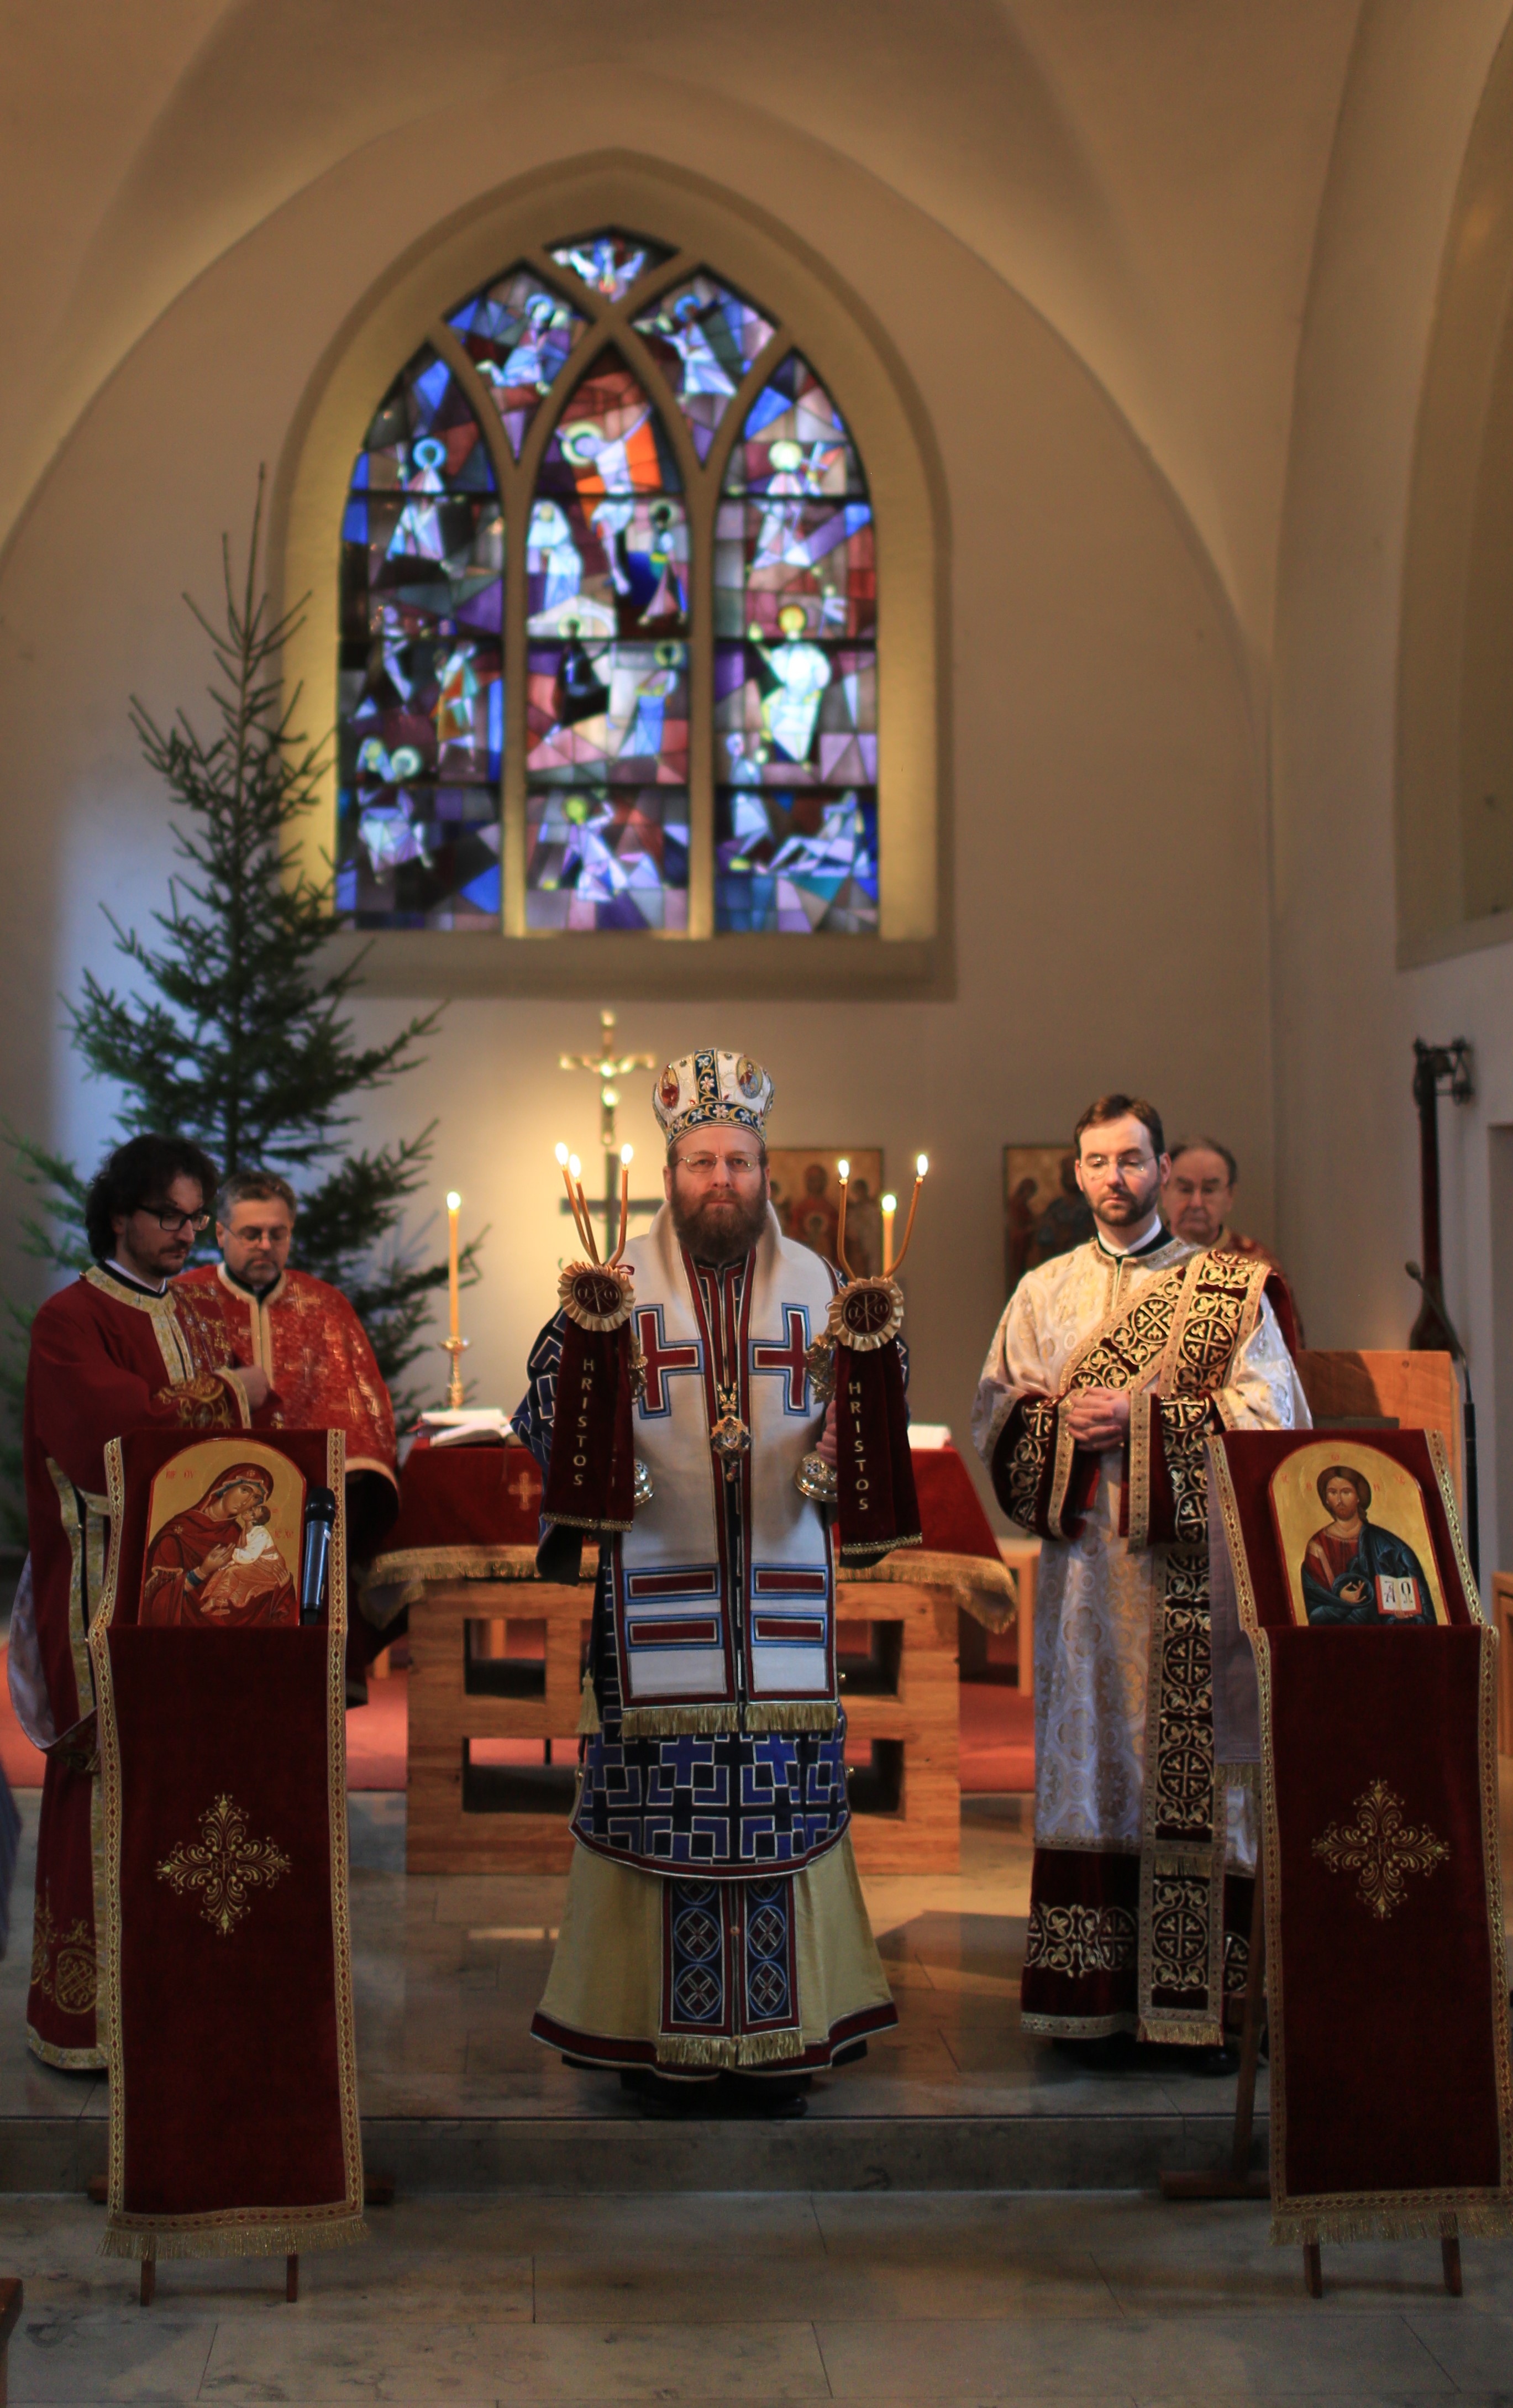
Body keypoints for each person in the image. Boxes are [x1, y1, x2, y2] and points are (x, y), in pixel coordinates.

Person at [516, 1048, 897, 2111]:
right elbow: (541, 1400)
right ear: (667, 1174)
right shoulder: (610, 1286)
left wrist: (836, 1459)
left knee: (783, 1814)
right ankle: (649, 2036)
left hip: (781, 1599)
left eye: (737, 1160)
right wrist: (605, 1465)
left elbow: (872, 1401)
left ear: (764, 1169)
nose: (719, 1181)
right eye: (699, 1163)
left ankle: (782, 2035)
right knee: (655, 1821)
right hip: (653, 1601)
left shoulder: (824, 1284)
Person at [972, 1094, 1308, 2059]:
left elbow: (1272, 1415)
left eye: (1131, 1160)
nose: (1113, 1179)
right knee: (1094, 1775)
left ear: (1161, 1168)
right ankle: (1089, 2005)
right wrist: (1049, 1428)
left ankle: (1197, 2006)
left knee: (1196, 1782)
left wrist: (1145, 1422)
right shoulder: (1038, 1293)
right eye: (1094, 1162)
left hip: (1193, 1587)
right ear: (1075, 1175)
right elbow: (994, 1413)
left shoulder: (1226, 1290)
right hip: (1084, 1589)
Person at [19, 1134, 275, 2068]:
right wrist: (231, 1394)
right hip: (105, 1601)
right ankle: (87, 2021)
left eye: (195, 1216)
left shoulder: (192, 1316)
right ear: (119, 1214)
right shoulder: (71, 1318)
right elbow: (110, 1434)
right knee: (106, 1792)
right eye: (170, 1215)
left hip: (189, 1611)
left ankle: (173, 2007)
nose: (186, 1232)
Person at [177, 1169, 400, 1692]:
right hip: (211, 1501)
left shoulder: (326, 1305)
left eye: (277, 1234)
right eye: (251, 1233)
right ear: (221, 1235)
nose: (264, 1245)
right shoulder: (188, 1302)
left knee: (304, 1682)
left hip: (313, 1511)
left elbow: (363, 1413)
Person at [1163, 1137, 1304, 1349]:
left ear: (1230, 1196)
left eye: (1209, 1190)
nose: (1196, 1203)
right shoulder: (1141, 1258)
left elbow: (1285, 1355)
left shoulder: (1257, 1265)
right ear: (1163, 1191)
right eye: (1185, 1189)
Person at [141, 1463, 296, 1628]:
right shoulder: (180, 1531)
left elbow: (255, 1578)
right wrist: (202, 1572)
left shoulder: (240, 1535)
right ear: (226, 1486)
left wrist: (284, 1587)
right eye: (245, 1490)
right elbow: (154, 1600)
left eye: (256, 1498)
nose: (247, 1501)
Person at [1301, 1465, 1434, 1625]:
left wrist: (1404, 1617)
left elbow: (1417, 1600)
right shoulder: (1317, 1546)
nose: (1339, 1499)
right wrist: (1340, 1600)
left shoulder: (1389, 1546)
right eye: (1333, 1493)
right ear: (1326, 1499)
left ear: (1359, 1497)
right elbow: (1315, 1611)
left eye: (1346, 1492)